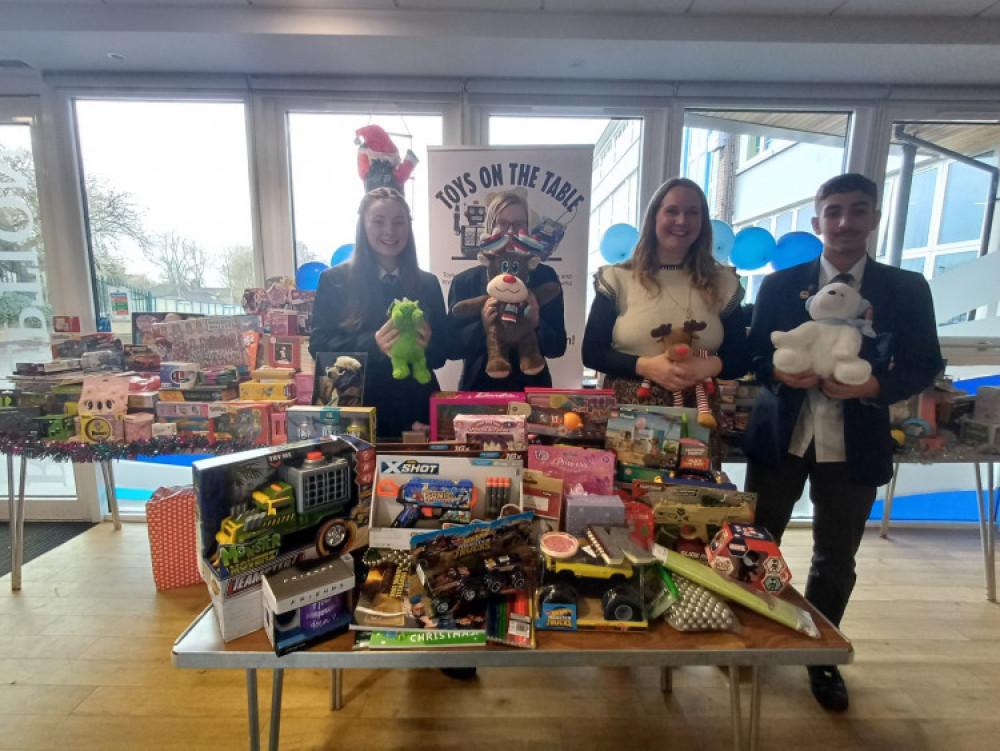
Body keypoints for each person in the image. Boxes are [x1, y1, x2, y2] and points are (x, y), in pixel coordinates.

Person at [742, 173, 943, 712]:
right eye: (834, 211)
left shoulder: (906, 288)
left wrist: (879, 385)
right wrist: (780, 375)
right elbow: (755, 358)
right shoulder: (780, 285)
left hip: (857, 441)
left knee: (836, 556)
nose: (845, 222)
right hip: (781, 436)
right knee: (755, 544)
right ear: (817, 222)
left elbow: (927, 364)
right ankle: (750, 640)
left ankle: (819, 654)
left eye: (858, 211)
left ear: (874, 218)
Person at [582, 177, 748, 406]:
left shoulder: (723, 283)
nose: (682, 220)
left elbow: (740, 359)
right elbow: (592, 352)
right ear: (654, 217)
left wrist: (708, 365)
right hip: (627, 417)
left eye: (692, 212)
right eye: (672, 211)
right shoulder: (617, 278)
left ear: (703, 221)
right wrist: (646, 367)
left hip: (699, 418)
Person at [309, 187, 451, 442]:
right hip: (356, 410)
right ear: (363, 226)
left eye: (399, 222)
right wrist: (372, 344)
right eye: (378, 221)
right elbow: (318, 348)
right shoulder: (334, 281)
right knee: (357, 480)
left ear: (408, 227)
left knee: (419, 480)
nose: (389, 231)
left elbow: (442, 355)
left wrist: (430, 342)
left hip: (415, 412)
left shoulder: (427, 283)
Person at [448, 191, 566, 391]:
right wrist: (483, 326)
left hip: (532, 390)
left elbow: (557, 347)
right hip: (479, 391)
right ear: (489, 226)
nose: (511, 232)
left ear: (527, 229)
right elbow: (450, 348)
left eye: (519, 224)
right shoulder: (465, 282)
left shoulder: (545, 277)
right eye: (502, 223)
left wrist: (536, 322)